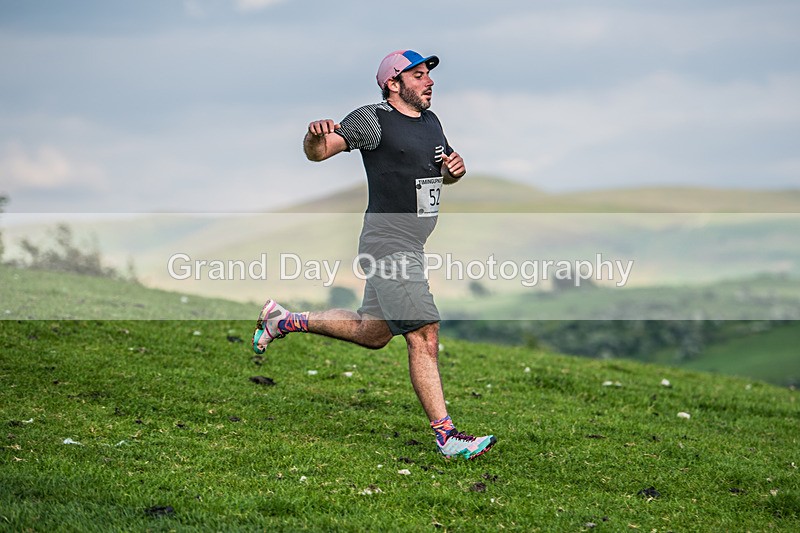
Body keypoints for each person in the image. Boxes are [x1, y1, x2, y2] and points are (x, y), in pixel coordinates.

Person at [252, 50, 496, 460]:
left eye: (428, 75)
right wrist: (314, 135)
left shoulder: (432, 123)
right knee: (424, 333)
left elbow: (434, 175)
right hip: (388, 241)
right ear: (393, 83)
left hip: (412, 244)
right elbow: (320, 151)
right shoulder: (372, 119)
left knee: (373, 332)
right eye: (418, 75)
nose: (429, 81)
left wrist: (452, 172)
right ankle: (447, 437)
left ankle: (283, 320)